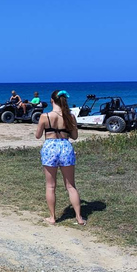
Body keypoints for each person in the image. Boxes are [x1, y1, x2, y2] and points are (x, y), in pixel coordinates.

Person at [35, 90, 85, 226]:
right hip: (65, 147)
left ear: (52, 100)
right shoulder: (70, 116)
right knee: (70, 186)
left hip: (50, 147)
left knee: (50, 186)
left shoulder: (45, 116)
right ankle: (79, 217)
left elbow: (38, 135)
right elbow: (74, 136)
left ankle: (52, 218)